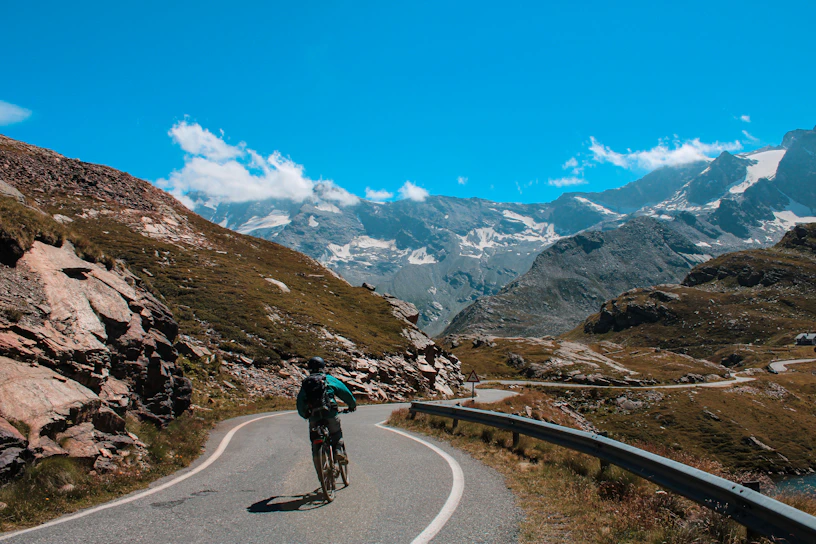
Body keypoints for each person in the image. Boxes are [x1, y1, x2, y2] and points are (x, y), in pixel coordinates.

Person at [296, 356, 357, 462]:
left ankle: (318, 460)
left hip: (314, 416)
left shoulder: (307, 383)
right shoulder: (328, 379)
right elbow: (345, 393)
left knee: (314, 436)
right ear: (323, 367)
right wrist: (352, 405)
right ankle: (338, 451)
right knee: (336, 433)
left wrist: (304, 414)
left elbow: (300, 402)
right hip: (330, 412)